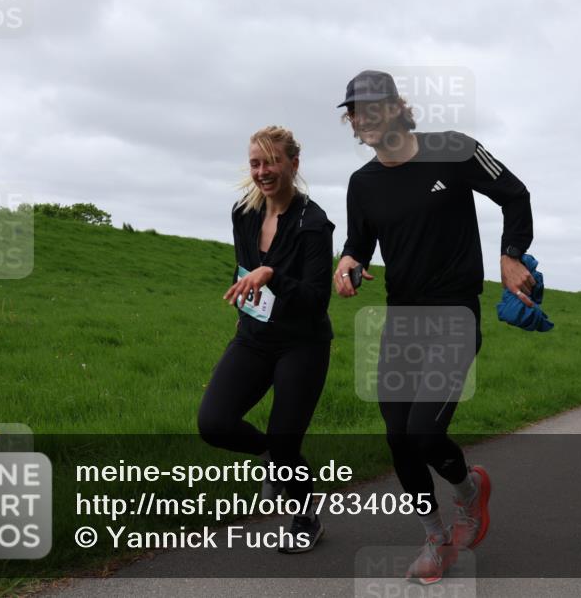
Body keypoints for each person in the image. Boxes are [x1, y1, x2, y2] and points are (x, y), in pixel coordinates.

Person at [333, 70, 534, 583]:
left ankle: (468, 492)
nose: (367, 118)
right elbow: (361, 241)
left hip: (454, 313)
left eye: (376, 106)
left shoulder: (454, 148)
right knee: (398, 438)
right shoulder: (363, 183)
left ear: (398, 106)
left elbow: (515, 194)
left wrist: (512, 257)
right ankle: (436, 538)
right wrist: (348, 261)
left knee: (425, 432)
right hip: (402, 318)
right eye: (357, 112)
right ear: (352, 122)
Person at [197, 126, 334, 553]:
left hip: (302, 342)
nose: (263, 171)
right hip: (254, 337)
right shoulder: (244, 212)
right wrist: (245, 307)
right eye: (256, 163)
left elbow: (314, 298)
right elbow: (243, 267)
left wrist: (273, 276)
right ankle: (273, 461)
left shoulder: (313, 222)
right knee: (214, 424)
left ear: (293, 164)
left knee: (285, 437)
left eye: (272, 162)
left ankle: (305, 514)